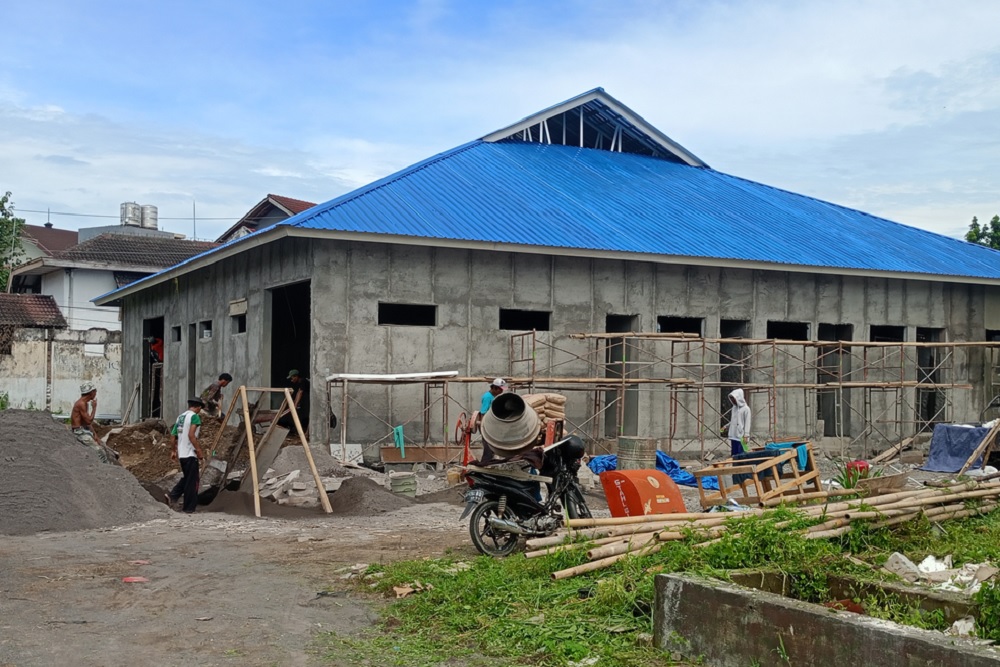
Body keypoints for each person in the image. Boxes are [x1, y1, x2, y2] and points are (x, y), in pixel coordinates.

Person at [167, 397, 206, 513]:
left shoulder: (180, 417)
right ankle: (189, 507)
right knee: (192, 482)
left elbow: (173, 436)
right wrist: (199, 450)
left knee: (188, 477)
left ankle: (173, 496)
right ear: (198, 407)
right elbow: (191, 435)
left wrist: (173, 450)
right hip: (190, 453)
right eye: (200, 409)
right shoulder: (194, 417)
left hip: (182, 454)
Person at [70, 383, 111, 463]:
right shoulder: (81, 404)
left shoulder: (84, 403)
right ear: (91, 392)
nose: (96, 393)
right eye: (95, 391)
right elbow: (89, 420)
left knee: (103, 446)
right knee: (99, 451)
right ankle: (105, 469)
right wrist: (94, 408)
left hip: (84, 430)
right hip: (80, 433)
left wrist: (95, 435)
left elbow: (87, 423)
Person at [726, 388, 752, 456]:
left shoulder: (746, 409)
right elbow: (733, 420)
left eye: (733, 398)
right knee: (734, 455)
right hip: (733, 435)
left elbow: (747, 423)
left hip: (742, 437)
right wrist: (727, 426)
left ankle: (744, 466)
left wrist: (746, 435)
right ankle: (735, 466)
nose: (732, 400)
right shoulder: (734, 408)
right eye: (731, 398)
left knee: (742, 454)